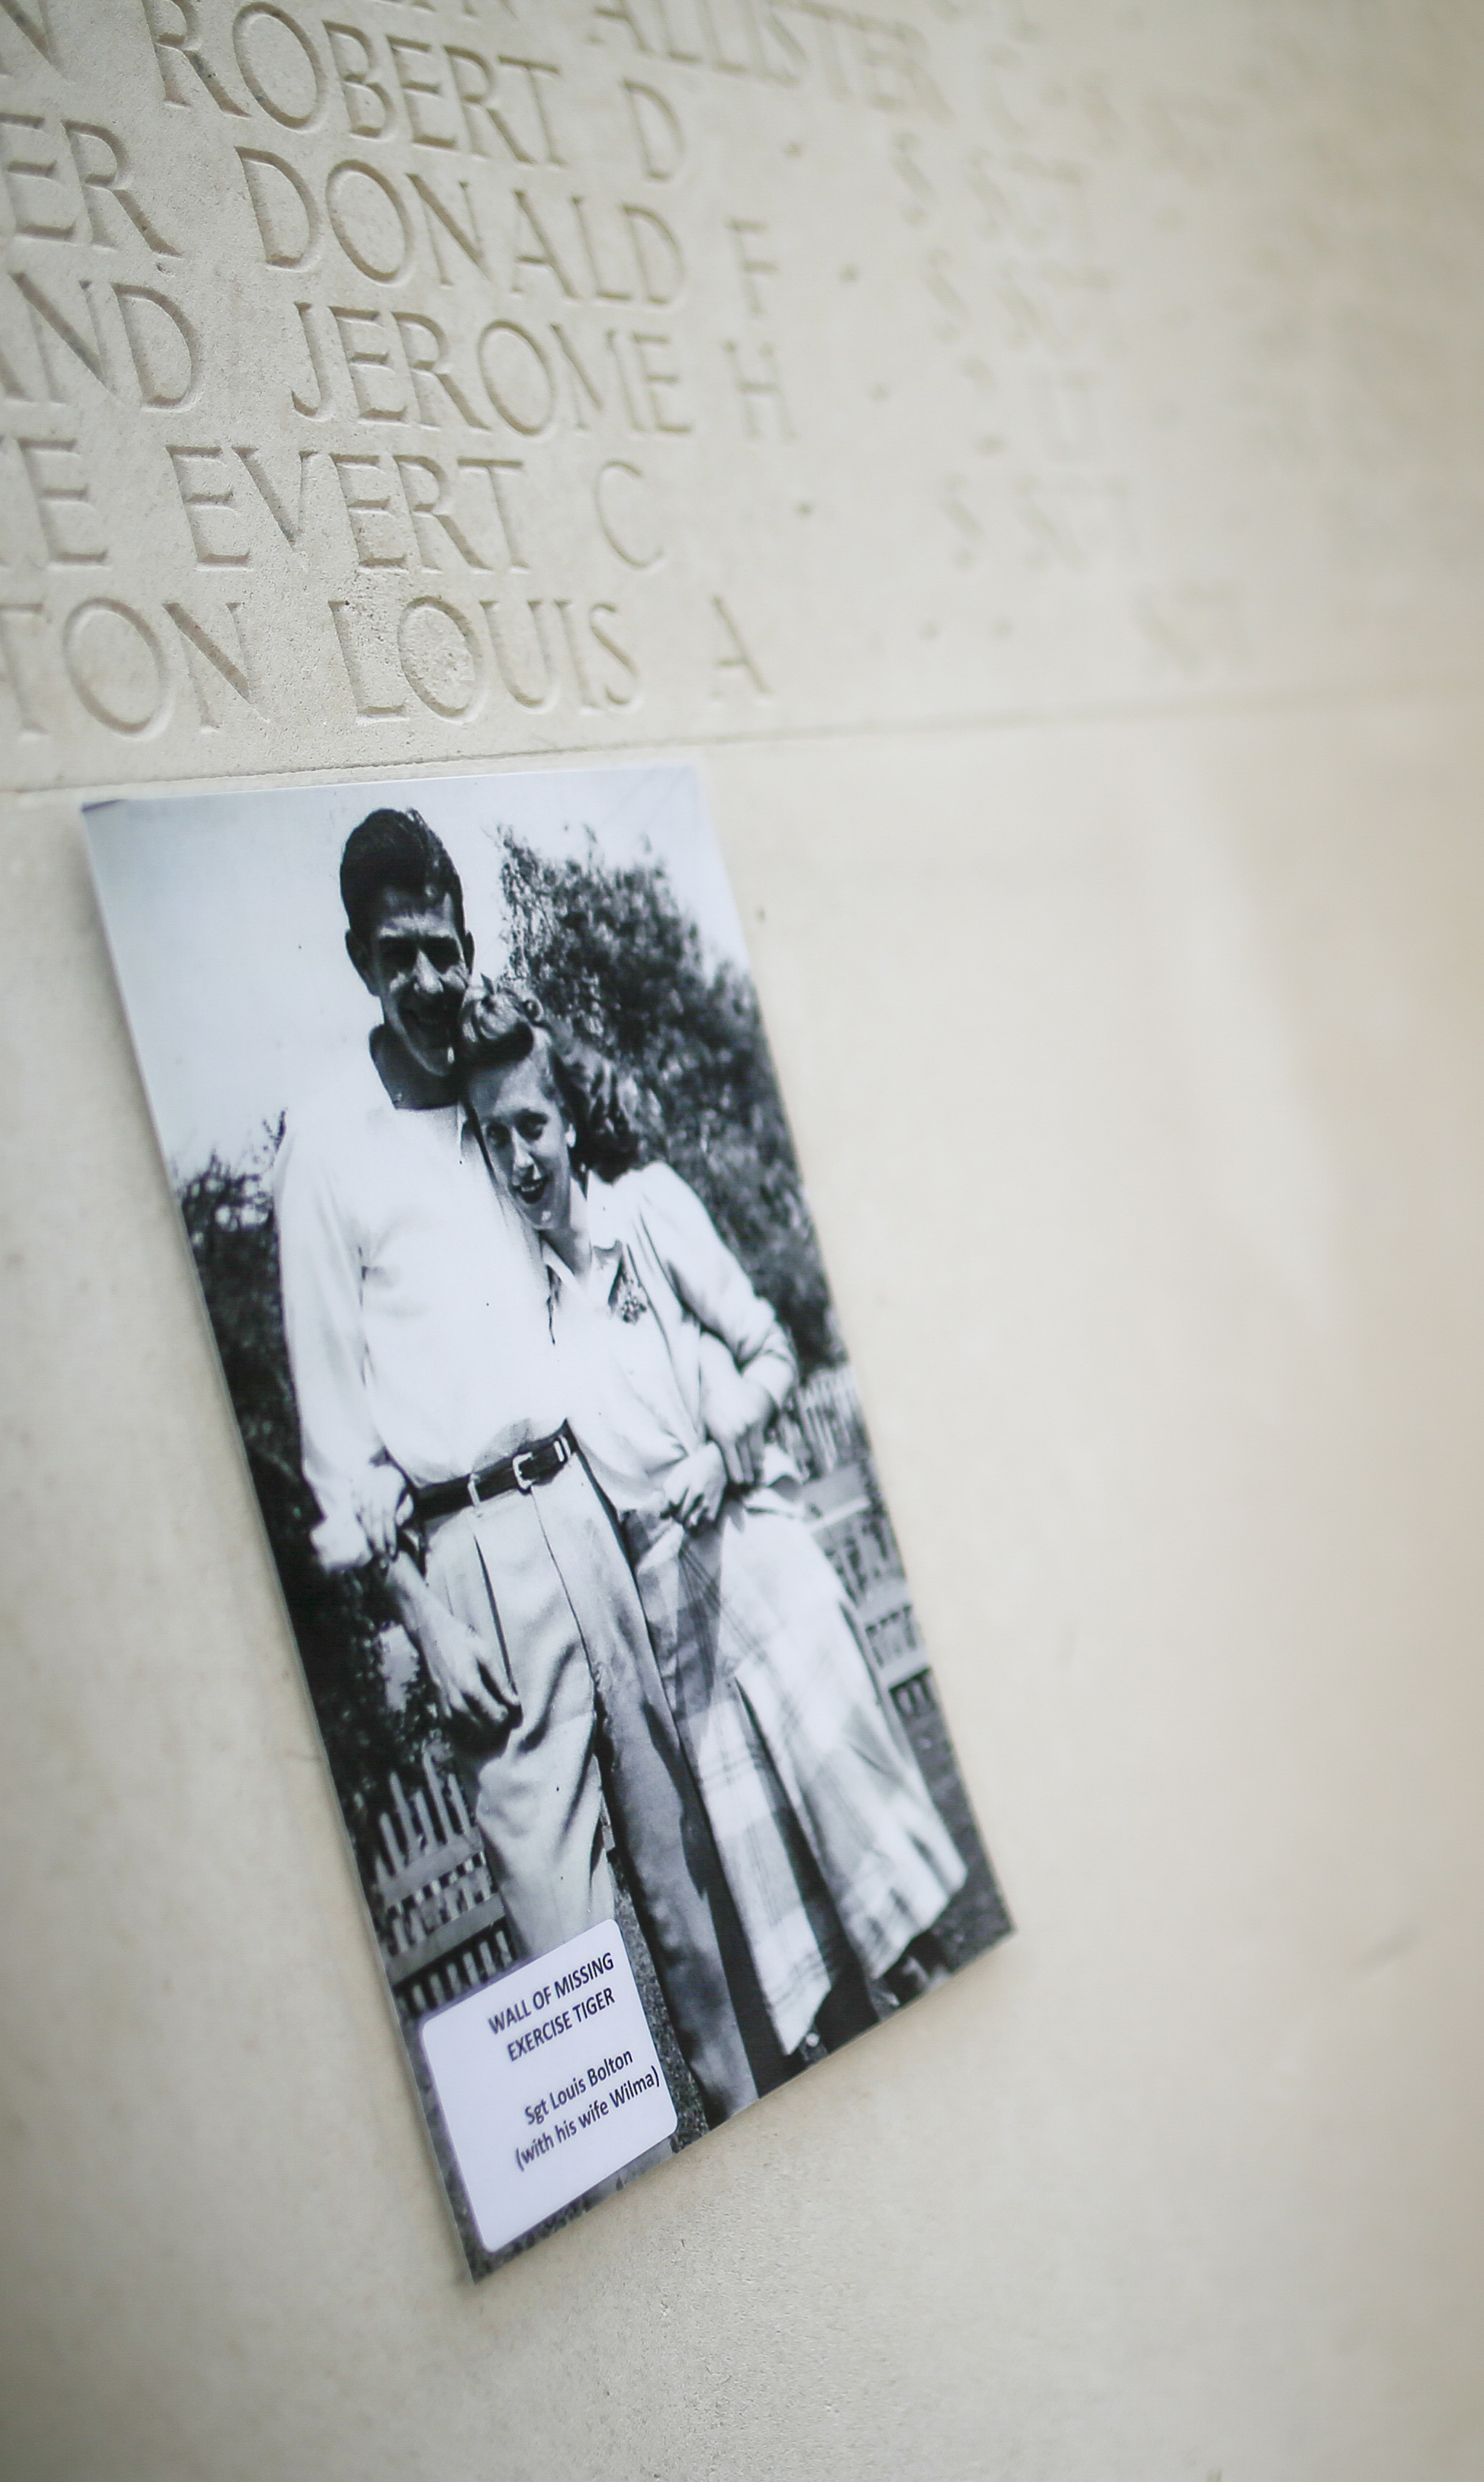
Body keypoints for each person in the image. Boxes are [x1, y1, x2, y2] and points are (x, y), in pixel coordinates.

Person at [274, 809, 758, 2122]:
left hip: (585, 1512)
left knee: (679, 1879)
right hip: (468, 1558)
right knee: (564, 1950)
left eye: (441, 947)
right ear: (360, 959)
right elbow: (335, 1445)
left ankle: (747, 2118)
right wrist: (419, 1617)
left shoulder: (499, 1090)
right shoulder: (322, 1145)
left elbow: (593, 1175)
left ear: (464, 938)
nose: (424, 980)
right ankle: (625, 2209)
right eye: (396, 956)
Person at [458, 982, 973, 2069]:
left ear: (568, 1119)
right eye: (493, 1137)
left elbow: (772, 1350)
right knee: (812, 1996)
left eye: (533, 1125)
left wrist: (716, 1446)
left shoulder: (646, 1209)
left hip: (761, 1568)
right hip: (678, 1641)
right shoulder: (520, 1311)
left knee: (899, 1924)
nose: (519, 1158)